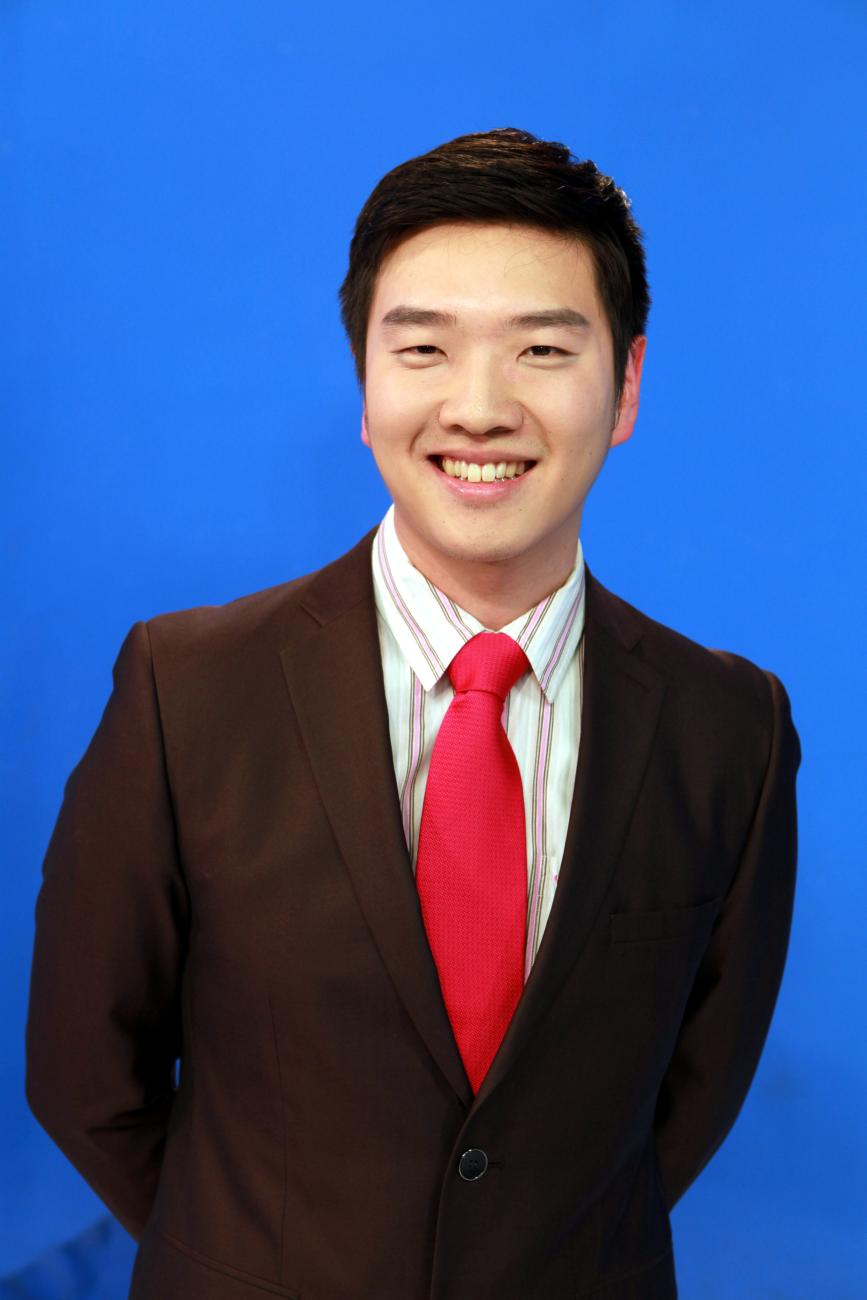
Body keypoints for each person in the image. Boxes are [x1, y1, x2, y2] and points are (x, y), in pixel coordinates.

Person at [26, 128, 800, 1300]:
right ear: (365, 383)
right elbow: (85, 1073)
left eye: (543, 348)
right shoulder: (186, 693)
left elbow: (692, 1091)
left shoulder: (726, 729)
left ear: (627, 383)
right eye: (425, 348)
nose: (479, 408)